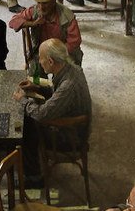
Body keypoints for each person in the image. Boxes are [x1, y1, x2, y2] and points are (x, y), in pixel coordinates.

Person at [12, 39, 91, 185]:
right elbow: (58, 94)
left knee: (28, 123)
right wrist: (37, 87)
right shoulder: (70, 69)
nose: (39, 62)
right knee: (31, 110)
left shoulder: (68, 85)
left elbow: (42, 114)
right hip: (72, 125)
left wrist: (23, 100)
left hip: (70, 137)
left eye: (41, 59)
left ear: (50, 61)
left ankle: (33, 177)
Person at [9, 0, 82, 75]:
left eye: (45, 3)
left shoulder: (66, 15)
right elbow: (13, 21)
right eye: (39, 3)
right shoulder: (34, 10)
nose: (41, 7)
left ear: (54, 1)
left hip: (63, 52)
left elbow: (74, 41)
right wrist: (33, 23)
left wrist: (56, 54)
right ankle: (41, 88)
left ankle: (61, 87)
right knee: (35, 76)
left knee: (72, 75)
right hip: (40, 52)